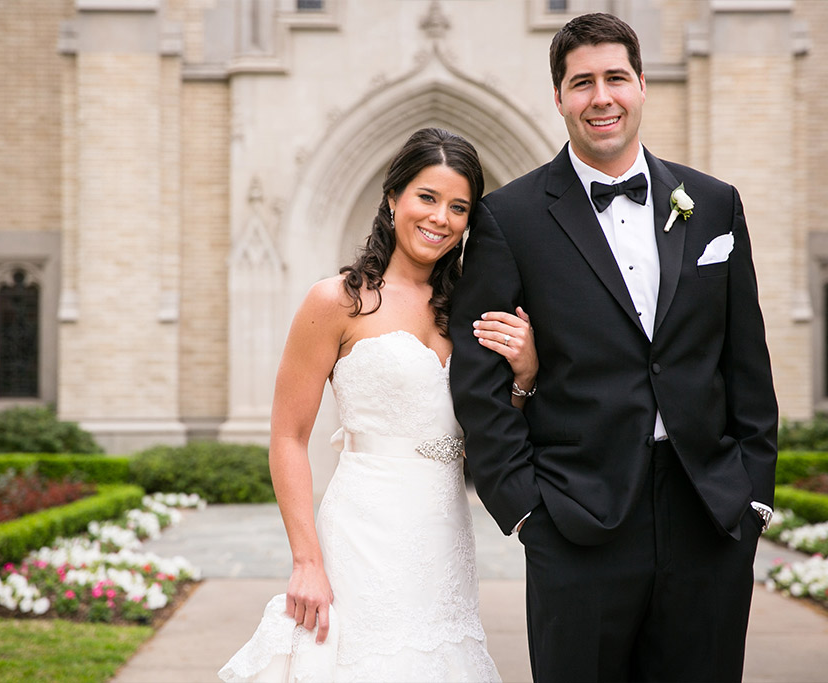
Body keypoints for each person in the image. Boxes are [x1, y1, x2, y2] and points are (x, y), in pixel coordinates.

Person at [449, 12, 778, 683]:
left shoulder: (714, 204)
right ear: (559, 97)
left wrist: (752, 498)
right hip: (575, 525)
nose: (601, 97)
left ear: (641, 85)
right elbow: (479, 382)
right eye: (582, 82)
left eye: (615, 78)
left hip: (708, 519)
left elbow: (747, 362)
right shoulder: (507, 220)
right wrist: (525, 513)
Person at [218, 127, 538, 683]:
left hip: (445, 533)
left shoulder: (468, 309)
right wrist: (307, 561)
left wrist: (526, 373)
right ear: (393, 199)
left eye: (458, 207)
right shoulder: (337, 301)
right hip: (363, 531)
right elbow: (288, 437)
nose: (440, 218)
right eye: (427, 197)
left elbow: (494, 425)